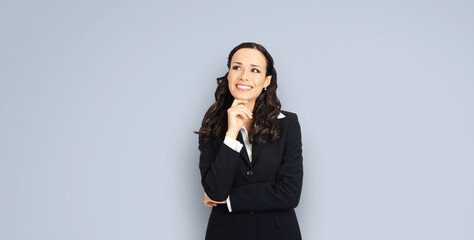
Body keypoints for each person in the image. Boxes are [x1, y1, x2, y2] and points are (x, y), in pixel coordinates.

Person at [194, 42, 303, 240]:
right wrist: (232, 133)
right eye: (237, 67)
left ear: (266, 80)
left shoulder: (288, 124)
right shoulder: (211, 125)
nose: (244, 76)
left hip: (279, 234)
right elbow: (216, 191)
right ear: (228, 75)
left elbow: (290, 192)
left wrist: (229, 199)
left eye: (255, 70)